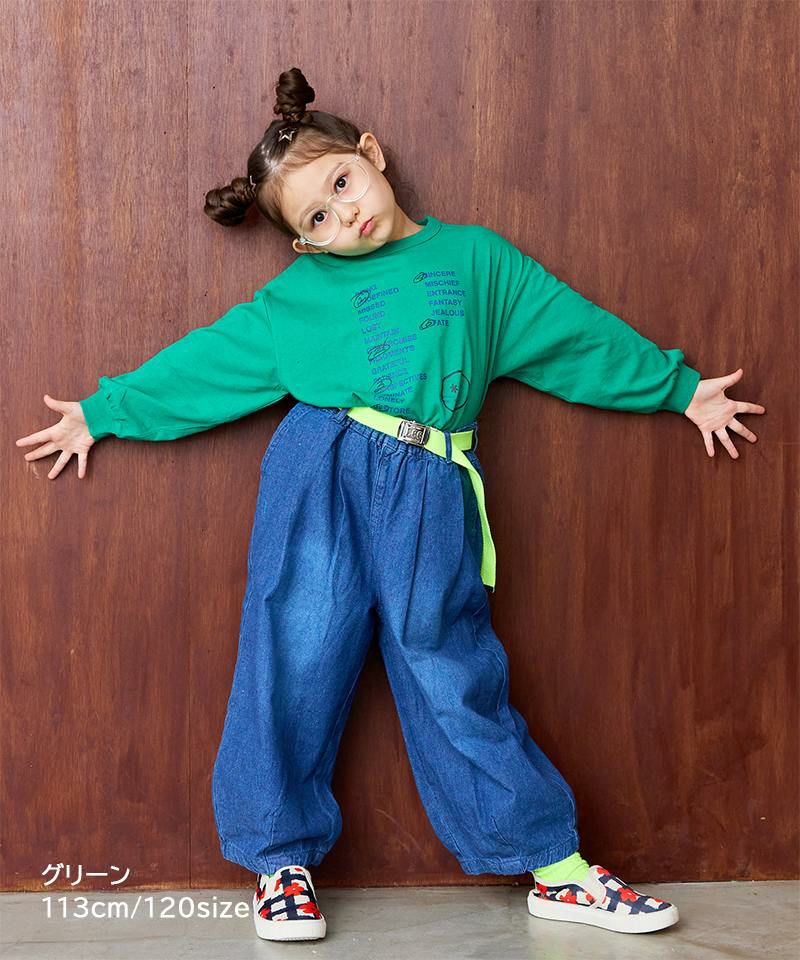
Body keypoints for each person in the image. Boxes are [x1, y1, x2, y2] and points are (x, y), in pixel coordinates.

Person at [15, 67, 765, 942]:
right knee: (293, 649)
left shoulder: (477, 261)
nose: (344, 216)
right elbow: (208, 362)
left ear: (370, 154)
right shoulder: (300, 300)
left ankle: (553, 867)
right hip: (322, 470)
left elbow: (573, 334)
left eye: (341, 184)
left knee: (453, 667)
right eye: (317, 221)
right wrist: (105, 412)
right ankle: (279, 863)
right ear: (305, 247)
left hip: (432, 485)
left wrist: (677, 389)